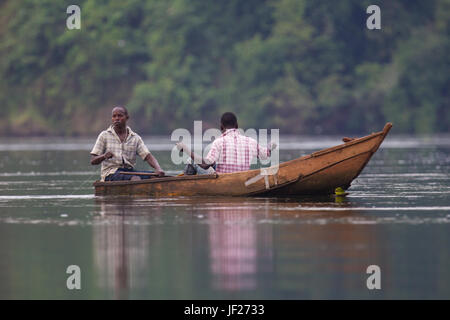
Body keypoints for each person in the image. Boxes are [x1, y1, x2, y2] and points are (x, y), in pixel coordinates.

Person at [177, 112, 276, 174]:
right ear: (237, 125)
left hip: (223, 180)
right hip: (242, 180)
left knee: (192, 160)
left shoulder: (219, 142)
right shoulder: (250, 141)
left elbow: (205, 165)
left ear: (221, 127)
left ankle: (184, 185)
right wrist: (270, 146)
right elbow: (265, 155)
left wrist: (185, 149)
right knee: (214, 164)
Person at [90, 106, 164, 181]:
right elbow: (93, 160)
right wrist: (104, 156)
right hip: (110, 173)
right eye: (114, 116)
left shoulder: (135, 138)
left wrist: (158, 169)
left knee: (155, 176)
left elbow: (148, 156)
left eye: (120, 116)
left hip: (129, 172)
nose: (116, 118)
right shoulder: (104, 135)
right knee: (135, 178)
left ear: (127, 118)